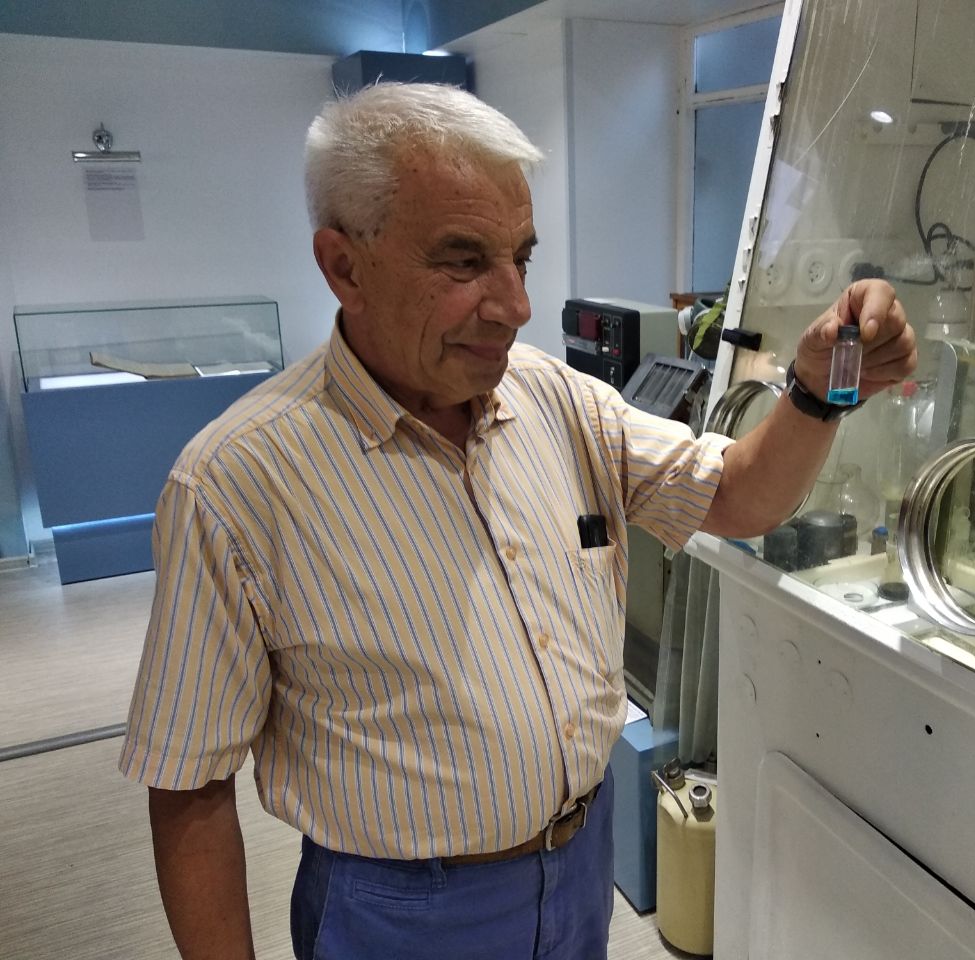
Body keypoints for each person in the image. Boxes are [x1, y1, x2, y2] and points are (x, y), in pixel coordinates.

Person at [119, 82, 915, 960]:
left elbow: (738, 498)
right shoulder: (236, 483)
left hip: (578, 865)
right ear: (344, 266)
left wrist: (819, 391)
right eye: (463, 263)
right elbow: (189, 786)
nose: (515, 305)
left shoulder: (557, 398)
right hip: (403, 913)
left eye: (521, 260)